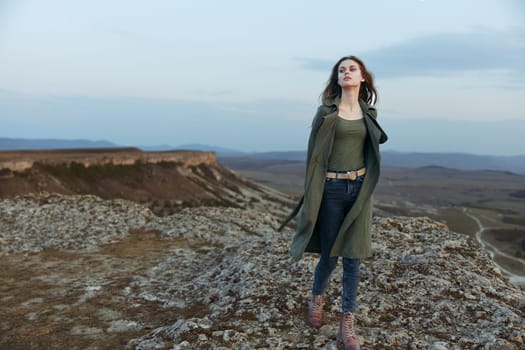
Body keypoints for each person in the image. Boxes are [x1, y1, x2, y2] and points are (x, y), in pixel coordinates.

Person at [278, 55, 388, 350]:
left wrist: (365, 188)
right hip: (331, 188)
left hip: (360, 190)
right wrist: (313, 193)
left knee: (354, 257)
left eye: (352, 69)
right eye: (341, 70)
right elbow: (313, 157)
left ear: (363, 77)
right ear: (336, 79)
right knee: (330, 255)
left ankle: (346, 322)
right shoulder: (325, 113)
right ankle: (317, 297)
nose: (346, 72)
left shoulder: (369, 114)